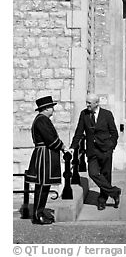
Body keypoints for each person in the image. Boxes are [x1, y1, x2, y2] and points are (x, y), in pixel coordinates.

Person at [69, 94, 121, 210]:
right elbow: (79, 132)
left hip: (105, 150)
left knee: (106, 175)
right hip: (92, 150)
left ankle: (102, 200)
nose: (87, 105)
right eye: (86, 102)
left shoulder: (107, 114)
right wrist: (73, 147)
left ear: (96, 103)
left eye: (89, 103)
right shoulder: (84, 114)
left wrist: (111, 146)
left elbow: (114, 133)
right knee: (93, 173)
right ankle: (114, 192)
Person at [25, 96, 66, 225]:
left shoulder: (42, 120)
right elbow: (50, 139)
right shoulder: (42, 120)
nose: (53, 109)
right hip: (44, 156)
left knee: (44, 186)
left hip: (47, 155)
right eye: (51, 107)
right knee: (42, 186)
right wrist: (63, 147)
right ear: (46, 108)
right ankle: (38, 215)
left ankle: (40, 212)